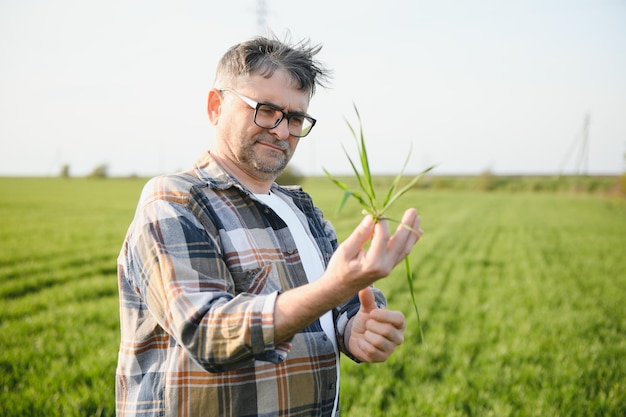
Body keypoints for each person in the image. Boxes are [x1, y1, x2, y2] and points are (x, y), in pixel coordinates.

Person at [115, 35, 423, 417]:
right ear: (216, 106)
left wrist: (357, 326)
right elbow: (208, 333)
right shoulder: (175, 201)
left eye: (295, 119)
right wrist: (331, 289)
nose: (281, 131)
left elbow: (344, 304)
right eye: (265, 110)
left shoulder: (302, 208)